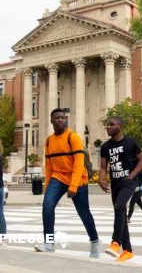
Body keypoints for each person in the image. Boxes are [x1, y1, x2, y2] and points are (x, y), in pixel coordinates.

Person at [34, 108, 101, 258]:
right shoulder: (49, 141)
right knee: (47, 206)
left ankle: (95, 242)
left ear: (66, 120)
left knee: (83, 212)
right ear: (51, 121)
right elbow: (49, 165)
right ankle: (49, 243)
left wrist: (73, 186)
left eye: (62, 118)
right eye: (56, 118)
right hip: (58, 178)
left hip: (77, 179)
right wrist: (47, 186)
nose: (60, 120)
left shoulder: (73, 137)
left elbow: (78, 164)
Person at [98, 116, 142, 262]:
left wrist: (132, 176)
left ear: (120, 126)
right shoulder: (106, 146)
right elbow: (103, 167)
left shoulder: (130, 142)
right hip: (115, 183)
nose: (108, 127)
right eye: (107, 125)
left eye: (111, 124)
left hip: (129, 182)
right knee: (121, 213)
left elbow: (141, 160)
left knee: (119, 206)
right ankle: (128, 250)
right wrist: (101, 179)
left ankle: (116, 242)